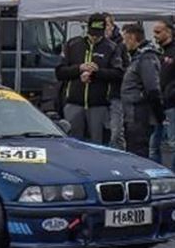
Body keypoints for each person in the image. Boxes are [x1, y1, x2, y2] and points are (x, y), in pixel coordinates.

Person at [55, 15, 122, 145]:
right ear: (87, 30)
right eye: (92, 34)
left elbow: (118, 74)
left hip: (99, 104)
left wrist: (96, 72)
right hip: (74, 102)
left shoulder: (111, 47)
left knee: (97, 143)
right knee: (73, 142)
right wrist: (79, 69)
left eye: (98, 35)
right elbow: (59, 72)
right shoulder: (73, 44)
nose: (95, 37)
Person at [119, 23, 164, 159]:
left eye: (125, 39)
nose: (124, 43)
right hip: (133, 114)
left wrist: (159, 115)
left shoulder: (146, 58)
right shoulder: (138, 57)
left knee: (138, 153)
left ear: (132, 38)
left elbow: (152, 88)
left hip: (139, 115)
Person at [105, 15, 130, 150]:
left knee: (116, 133)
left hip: (115, 94)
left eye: (106, 25)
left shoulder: (120, 45)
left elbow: (125, 70)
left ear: (112, 26)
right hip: (98, 95)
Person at [152, 19, 175, 164]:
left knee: (172, 144)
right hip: (158, 105)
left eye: (158, 32)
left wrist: (170, 92)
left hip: (171, 104)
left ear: (169, 32)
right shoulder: (158, 52)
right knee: (155, 144)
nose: (155, 35)